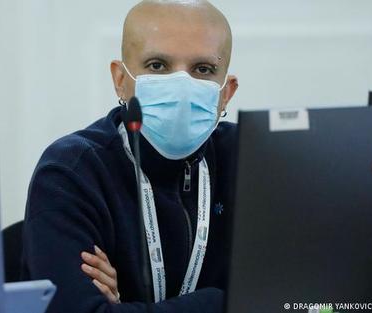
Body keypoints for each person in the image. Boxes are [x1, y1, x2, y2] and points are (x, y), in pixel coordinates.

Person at [21, 0, 239, 312]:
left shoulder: (253, 164)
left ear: (226, 92)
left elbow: (304, 299)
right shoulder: (71, 171)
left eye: (203, 69)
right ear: (120, 80)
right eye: (157, 65)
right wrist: (226, 300)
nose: (181, 85)